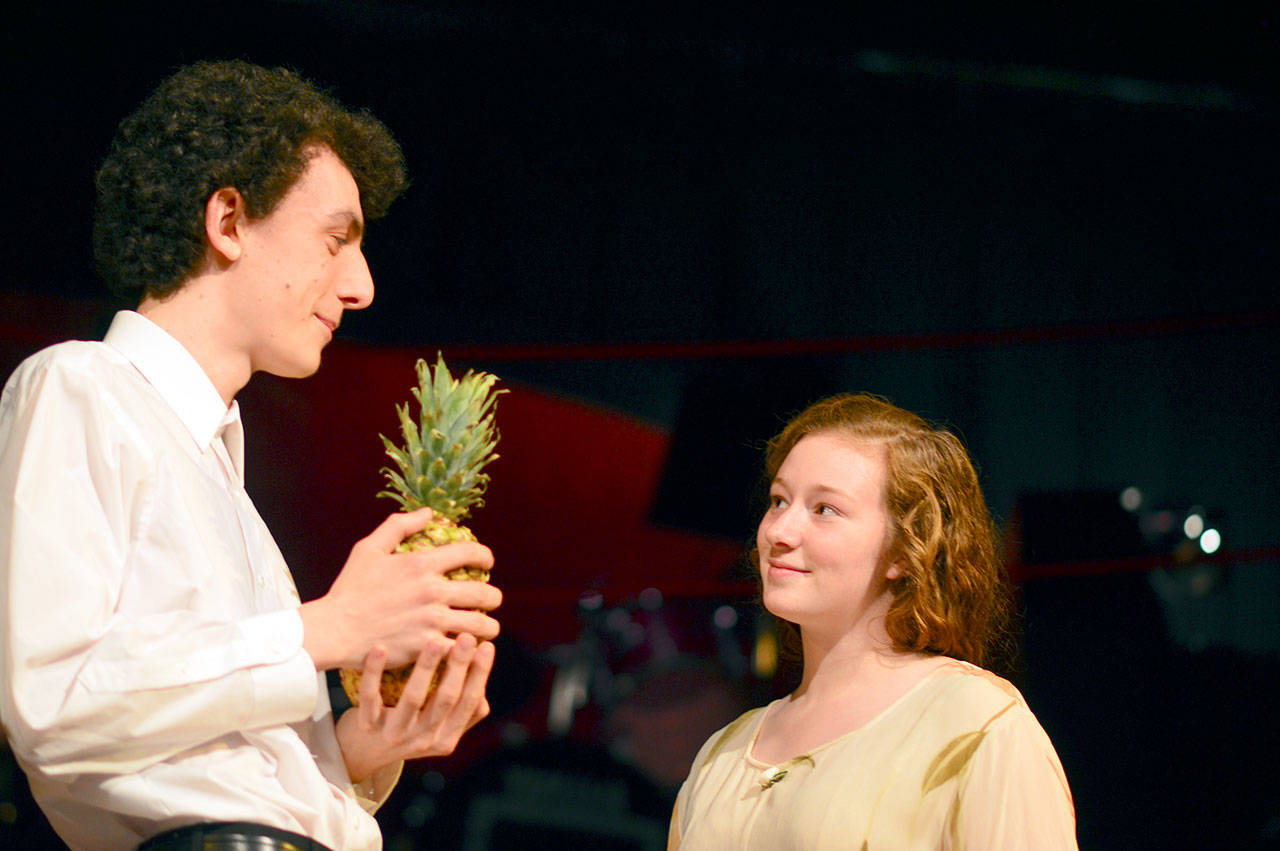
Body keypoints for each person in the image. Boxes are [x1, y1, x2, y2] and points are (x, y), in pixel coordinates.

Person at [0, 60, 503, 851]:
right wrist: (325, 628)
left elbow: (223, 761)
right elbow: (53, 702)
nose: (362, 285)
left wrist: (369, 742)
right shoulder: (80, 385)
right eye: (337, 240)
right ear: (228, 221)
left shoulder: (233, 496)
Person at [670, 393, 1077, 849]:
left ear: (906, 548)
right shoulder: (721, 755)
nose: (779, 532)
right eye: (780, 500)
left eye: (825, 509)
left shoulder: (976, 724)